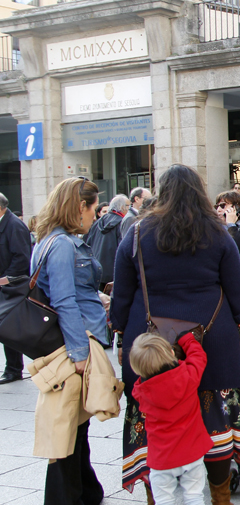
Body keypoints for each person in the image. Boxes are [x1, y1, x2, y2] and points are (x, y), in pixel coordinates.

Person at [110, 165, 240, 504]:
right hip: (211, 338)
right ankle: (220, 496)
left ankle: (157, 496)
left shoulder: (137, 232)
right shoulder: (218, 233)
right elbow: (237, 289)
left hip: (151, 341)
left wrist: (119, 337)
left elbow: (122, 293)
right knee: (216, 416)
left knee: (152, 416)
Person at [30, 177, 117, 505]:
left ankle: (85, 491)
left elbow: (66, 292)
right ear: (80, 206)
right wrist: (79, 353)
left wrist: (96, 297)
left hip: (71, 339)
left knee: (76, 423)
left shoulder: (51, 240)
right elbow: (63, 300)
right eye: (93, 208)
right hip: (75, 343)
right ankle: (66, 497)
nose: (96, 215)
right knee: (69, 425)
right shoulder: (63, 245)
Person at [129, 333, 212, 505]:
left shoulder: (142, 393)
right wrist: (187, 339)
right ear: (172, 353)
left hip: (162, 458)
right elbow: (199, 357)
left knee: (163, 500)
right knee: (195, 496)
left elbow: (140, 387)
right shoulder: (188, 376)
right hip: (192, 452)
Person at [0, 191, 31, 385]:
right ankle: (11, 368)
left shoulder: (14, 225)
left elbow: (21, 258)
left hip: (10, 286)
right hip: (4, 284)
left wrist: (5, 280)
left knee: (8, 328)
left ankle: (13, 369)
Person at [84, 193, 128, 286]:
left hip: (95, 270)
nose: (130, 209)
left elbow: (88, 244)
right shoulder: (122, 223)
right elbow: (124, 250)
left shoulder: (97, 222)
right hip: (113, 274)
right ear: (122, 207)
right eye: (128, 206)